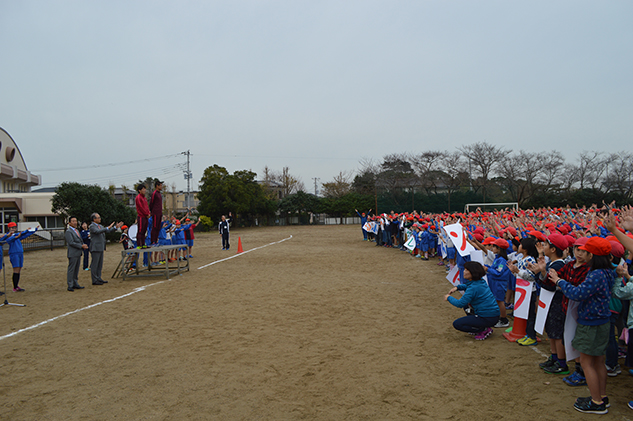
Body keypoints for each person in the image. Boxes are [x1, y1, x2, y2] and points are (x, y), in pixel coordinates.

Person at [551, 236, 614, 415]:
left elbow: (577, 293)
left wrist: (559, 281)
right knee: (599, 361)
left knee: (587, 362)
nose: (581, 253)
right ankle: (602, 396)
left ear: (592, 255)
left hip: (591, 322)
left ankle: (596, 402)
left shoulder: (595, 274)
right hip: (602, 320)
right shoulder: (608, 271)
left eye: (585, 251)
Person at [444, 261, 500, 340]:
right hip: (493, 315)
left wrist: (448, 297)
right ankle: (479, 326)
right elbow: (468, 285)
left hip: (487, 317)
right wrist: (457, 287)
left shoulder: (473, 288)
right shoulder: (480, 281)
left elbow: (460, 303)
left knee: (457, 324)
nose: (464, 271)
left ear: (473, 273)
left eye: (466, 270)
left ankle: (482, 329)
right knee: (466, 306)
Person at [89, 213, 123, 285]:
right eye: (98, 217)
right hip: (95, 247)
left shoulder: (100, 226)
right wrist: (107, 227)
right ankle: (94, 279)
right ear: (94, 219)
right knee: (95, 264)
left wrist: (115, 228)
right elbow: (98, 231)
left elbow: (107, 231)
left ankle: (99, 277)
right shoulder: (92, 226)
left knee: (100, 264)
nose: (100, 219)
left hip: (101, 247)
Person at [4, 221, 39, 292]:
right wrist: (25, 231)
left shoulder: (16, 235)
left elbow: (25, 235)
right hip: (14, 253)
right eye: (12, 227)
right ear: (8, 228)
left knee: (19, 269)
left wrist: (33, 230)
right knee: (16, 269)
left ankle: (16, 286)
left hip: (20, 253)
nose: (13, 229)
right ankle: (14, 287)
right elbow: (11, 239)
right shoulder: (8, 235)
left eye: (14, 227)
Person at [65, 217, 87, 291]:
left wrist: (83, 245)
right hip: (73, 252)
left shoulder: (76, 230)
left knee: (76, 269)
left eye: (76, 221)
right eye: (73, 221)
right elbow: (71, 242)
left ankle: (75, 282)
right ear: (69, 223)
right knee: (71, 269)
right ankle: (70, 284)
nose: (75, 222)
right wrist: (81, 246)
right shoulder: (68, 231)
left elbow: (80, 240)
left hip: (78, 252)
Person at [135, 184, 150, 248]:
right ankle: (139, 244)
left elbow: (146, 207)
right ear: (139, 190)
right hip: (141, 216)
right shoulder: (138, 198)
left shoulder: (144, 198)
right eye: (143, 189)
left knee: (144, 230)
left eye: (145, 189)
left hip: (146, 217)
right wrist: (146, 214)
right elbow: (141, 207)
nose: (144, 190)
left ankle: (143, 244)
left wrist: (149, 213)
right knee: (140, 230)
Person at [149, 179, 163, 245]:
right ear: (157, 186)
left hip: (159, 212)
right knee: (154, 226)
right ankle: (153, 241)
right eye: (160, 185)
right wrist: (152, 211)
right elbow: (151, 203)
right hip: (155, 213)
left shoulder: (159, 194)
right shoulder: (154, 193)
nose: (161, 187)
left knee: (158, 226)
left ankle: (156, 240)